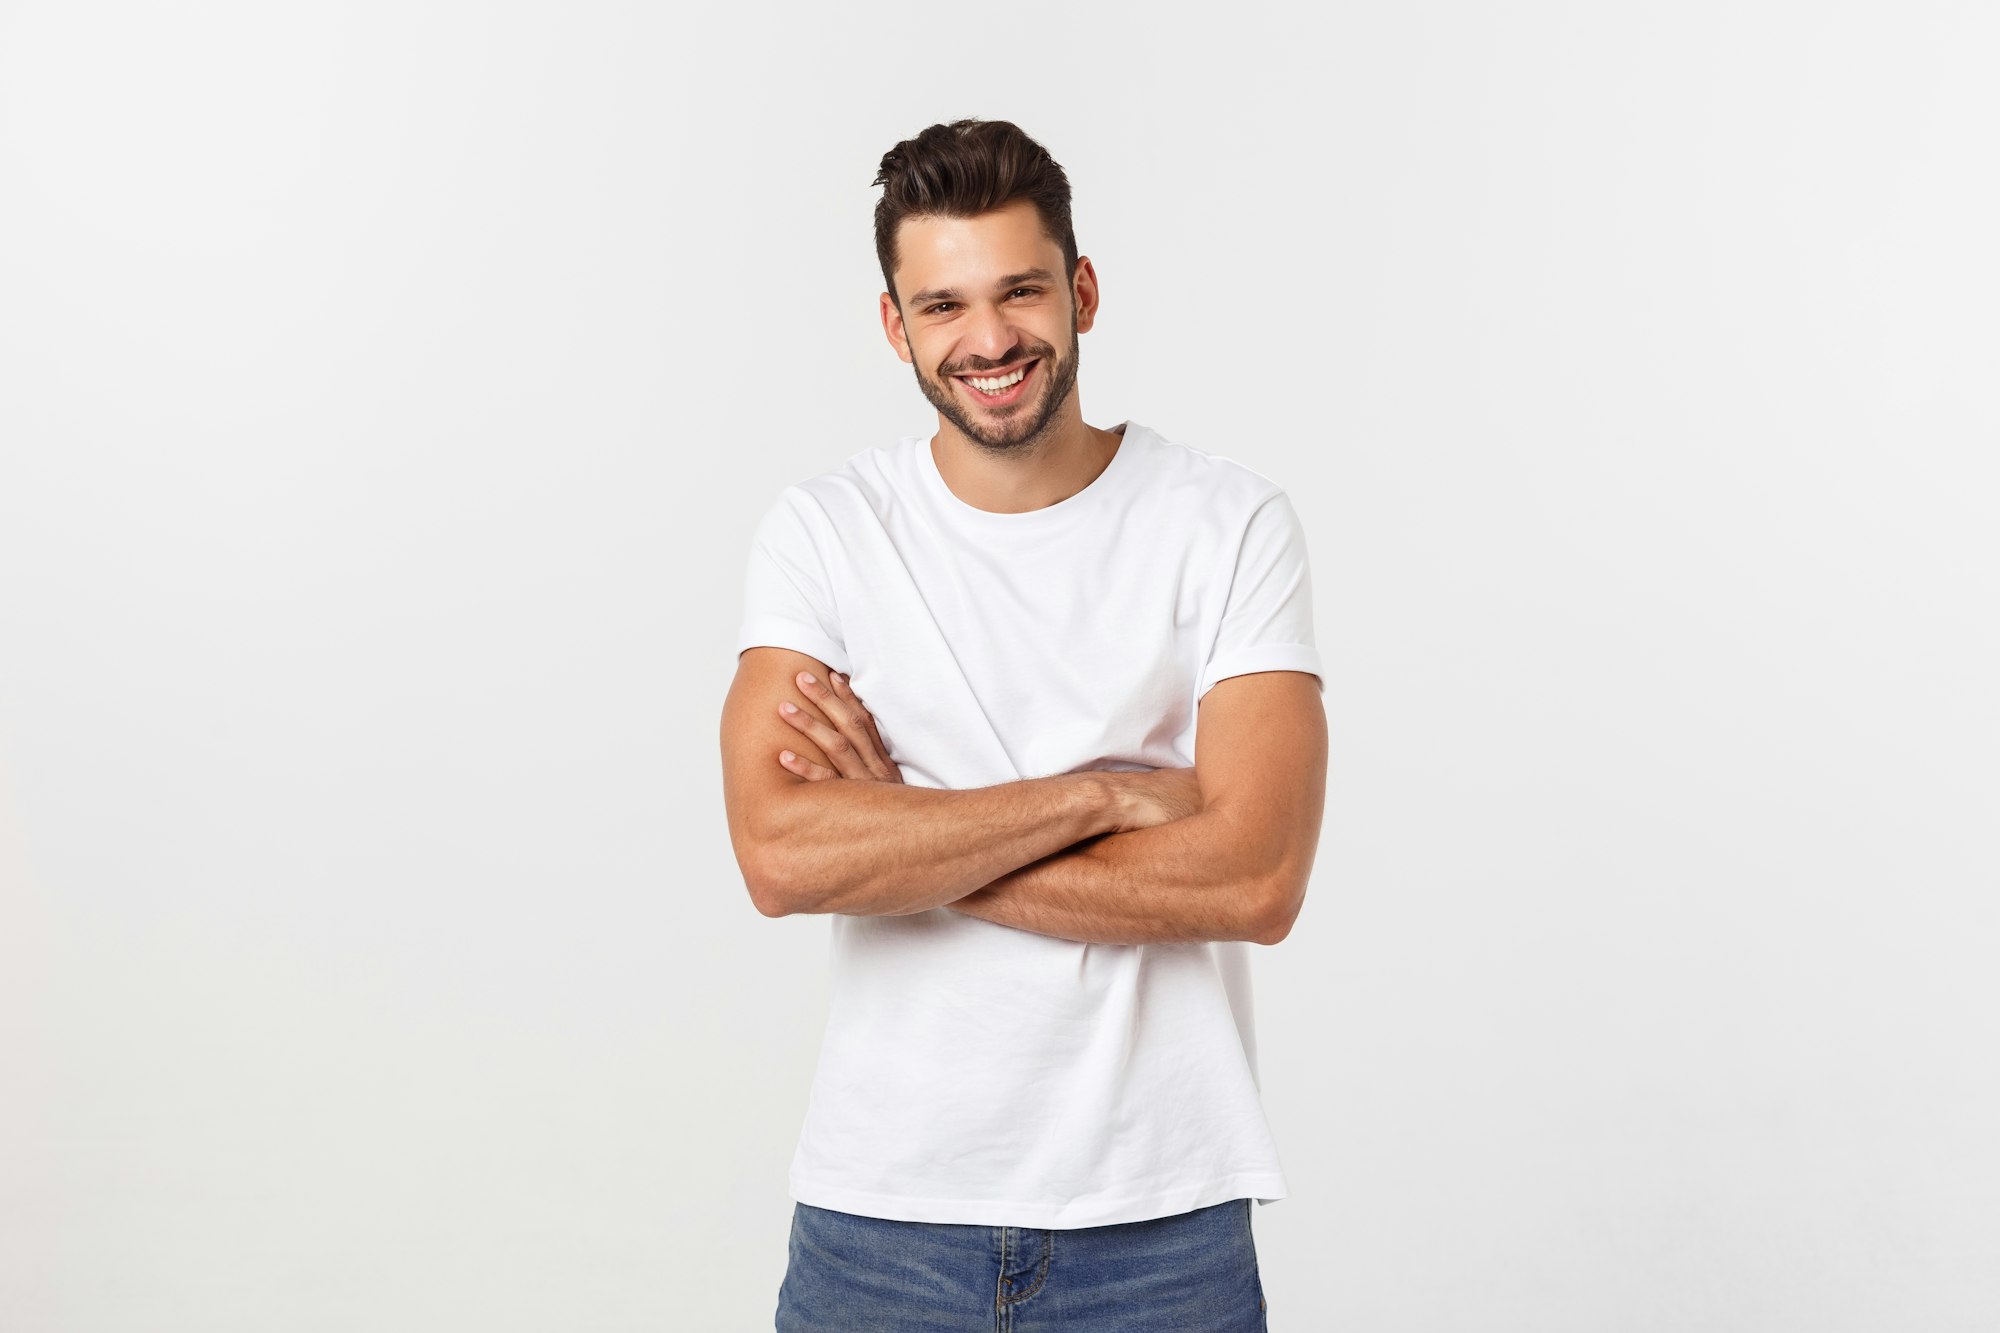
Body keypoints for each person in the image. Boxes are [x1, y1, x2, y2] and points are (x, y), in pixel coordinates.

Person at [719, 117, 1328, 1331]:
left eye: (1020, 292)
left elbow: (1255, 876)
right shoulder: (825, 533)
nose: (988, 339)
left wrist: (897, 833)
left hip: (1161, 1219)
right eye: (941, 306)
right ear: (894, 325)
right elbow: (783, 859)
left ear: (1081, 291)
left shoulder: (1227, 526)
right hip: (880, 1218)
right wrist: (1103, 795)